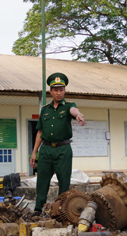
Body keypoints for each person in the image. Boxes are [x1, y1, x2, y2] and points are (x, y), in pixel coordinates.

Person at [30, 73, 86, 215]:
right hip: (46, 150)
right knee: (42, 180)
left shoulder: (68, 106)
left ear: (64, 91)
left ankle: (61, 210)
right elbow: (39, 132)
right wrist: (34, 152)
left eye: (61, 89)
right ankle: (38, 209)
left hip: (63, 149)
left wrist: (78, 115)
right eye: (56, 90)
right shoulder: (44, 110)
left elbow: (74, 110)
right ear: (51, 92)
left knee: (64, 182)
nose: (59, 92)